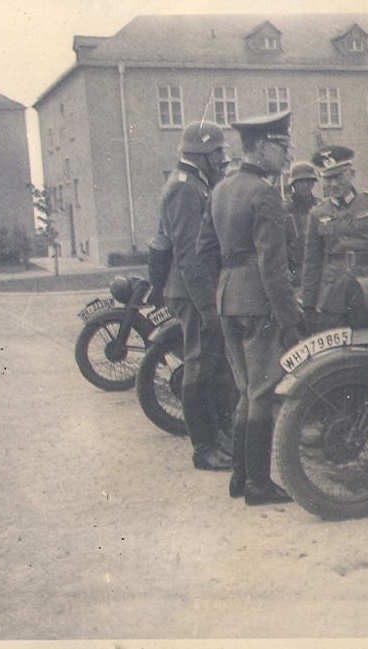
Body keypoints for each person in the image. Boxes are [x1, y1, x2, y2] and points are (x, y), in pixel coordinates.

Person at [196, 110, 303, 505]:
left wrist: (224, 287)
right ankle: (258, 483)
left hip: (228, 298)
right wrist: (289, 318)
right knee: (262, 391)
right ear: (259, 148)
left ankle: (241, 476)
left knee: (246, 390)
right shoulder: (264, 194)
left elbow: (204, 251)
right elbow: (272, 264)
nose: (287, 156)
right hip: (258, 300)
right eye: (282, 147)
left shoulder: (221, 189)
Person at [148, 121, 234, 471]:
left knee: (211, 365)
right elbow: (189, 255)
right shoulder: (185, 189)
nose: (222, 159)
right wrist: (207, 305)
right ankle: (204, 448)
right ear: (204, 154)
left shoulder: (194, 183)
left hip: (193, 288)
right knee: (199, 367)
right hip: (191, 290)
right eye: (218, 153)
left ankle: (216, 438)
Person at [301, 145, 368, 331]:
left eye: (338, 177)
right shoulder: (318, 213)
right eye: (328, 178)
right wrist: (308, 303)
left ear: (351, 174)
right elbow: (312, 261)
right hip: (333, 292)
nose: (333, 184)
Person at [282, 161, 319, 289]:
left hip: (318, 269)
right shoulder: (284, 210)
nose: (306, 185)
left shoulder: (320, 208)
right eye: (301, 182)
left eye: (309, 181)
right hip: (295, 270)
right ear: (293, 184)